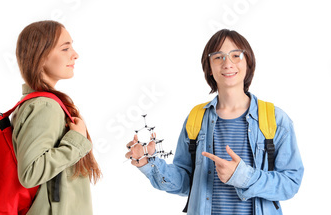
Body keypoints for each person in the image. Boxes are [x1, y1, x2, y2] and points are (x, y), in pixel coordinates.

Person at [126, 29, 303, 215]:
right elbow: (187, 183)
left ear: (248, 62)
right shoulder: (196, 118)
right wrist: (149, 164)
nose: (228, 63)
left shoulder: (275, 119)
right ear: (209, 68)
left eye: (236, 55)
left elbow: (290, 183)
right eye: (218, 57)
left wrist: (242, 177)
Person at [10, 20, 101, 215]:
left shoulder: (39, 103)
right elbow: (30, 173)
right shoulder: (44, 106)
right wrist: (75, 142)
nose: (75, 54)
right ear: (41, 57)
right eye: (65, 48)